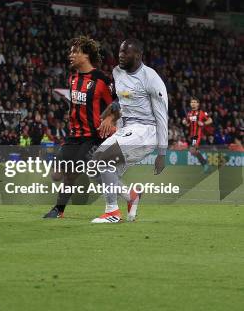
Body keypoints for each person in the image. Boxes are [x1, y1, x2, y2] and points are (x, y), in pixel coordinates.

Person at [92, 39, 168, 223]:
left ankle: (112, 212)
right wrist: (108, 115)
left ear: (138, 55)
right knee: (93, 169)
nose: (121, 55)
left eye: (126, 52)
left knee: (103, 159)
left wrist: (162, 152)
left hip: (145, 130)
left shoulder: (151, 78)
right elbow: (122, 101)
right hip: (126, 129)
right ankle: (131, 197)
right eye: (120, 51)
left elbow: (162, 114)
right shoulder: (117, 72)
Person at [43, 36, 115, 219]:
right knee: (57, 175)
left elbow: (118, 103)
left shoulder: (101, 80)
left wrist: (111, 118)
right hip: (74, 136)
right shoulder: (73, 78)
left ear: (86, 55)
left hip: (94, 137)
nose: (71, 55)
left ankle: (58, 210)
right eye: (71, 51)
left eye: (75, 51)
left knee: (72, 175)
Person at [182, 97, 212, 172]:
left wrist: (203, 123)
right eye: (192, 102)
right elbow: (187, 123)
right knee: (194, 151)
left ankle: (205, 165)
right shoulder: (189, 114)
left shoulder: (201, 113)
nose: (193, 103)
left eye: (195, 102)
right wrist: (184, 122)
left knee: (192, 150)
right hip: (192, 136)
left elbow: (210, 120)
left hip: (197, 135)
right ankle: (206, 165)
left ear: (198, 104)